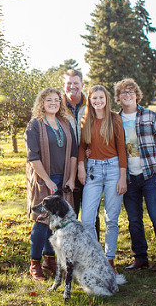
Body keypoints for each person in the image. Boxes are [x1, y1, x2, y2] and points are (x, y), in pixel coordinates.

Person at [114, 77, 156, 277]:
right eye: (123, 92)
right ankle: (140, 258)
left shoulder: (149, 116)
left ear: (136, 95)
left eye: (130, 91)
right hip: (128, 177)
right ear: (118, 98)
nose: (127, 95)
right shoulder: (115, 120)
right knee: (134, 220)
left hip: (151, 175)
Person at [25, 87, 78, 281]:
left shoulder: (65, 123)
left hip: (63, 179)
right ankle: (35, 263)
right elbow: (33, 157)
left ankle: (49, 259)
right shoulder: (34, 125)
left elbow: (74, 153)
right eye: (49, 100)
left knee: (56, 223)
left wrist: (71, 178)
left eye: (56, 100)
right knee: (42, 221)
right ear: (42, 102)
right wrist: (47, 180)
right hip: (43, 179)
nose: (53, 103)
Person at [76, 85, 127, 271]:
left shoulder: (114, 119)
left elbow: (121, 148)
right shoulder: (86, 120)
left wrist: (123, 177)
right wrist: (81, 167)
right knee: (87, 220)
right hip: (93, 170)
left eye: (101, 98)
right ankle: (96, 258)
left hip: (114, 169)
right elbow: (82, 147)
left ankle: (110, 260)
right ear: (90, 100)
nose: (98, 101)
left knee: (111, 219)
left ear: (106, 99)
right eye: (94, 98)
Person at [62, 69, 101, 240]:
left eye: (76, 83)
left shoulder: (92, 104)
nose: (72, 86)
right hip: (66, 167)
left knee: (91, 213)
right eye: (69, 83)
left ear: (82, 85)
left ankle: (93, 250)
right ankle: (71, 252)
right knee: (68, 213)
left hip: (90, 166)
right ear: (63, 86)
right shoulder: (57, 106)